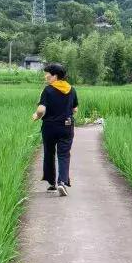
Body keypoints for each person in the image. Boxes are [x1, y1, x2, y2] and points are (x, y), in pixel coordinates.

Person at [32, 62, 79, 196]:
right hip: (67, 126)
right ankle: (62, 182)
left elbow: (41, 109)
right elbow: (75, 109)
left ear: (55, 76)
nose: (46, 76)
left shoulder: (48, 90)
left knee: (49, 153)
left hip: (50, 127)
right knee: (64, 154)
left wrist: (37, 116)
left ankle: (52, 183)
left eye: (47, 74)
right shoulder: (71, 89)